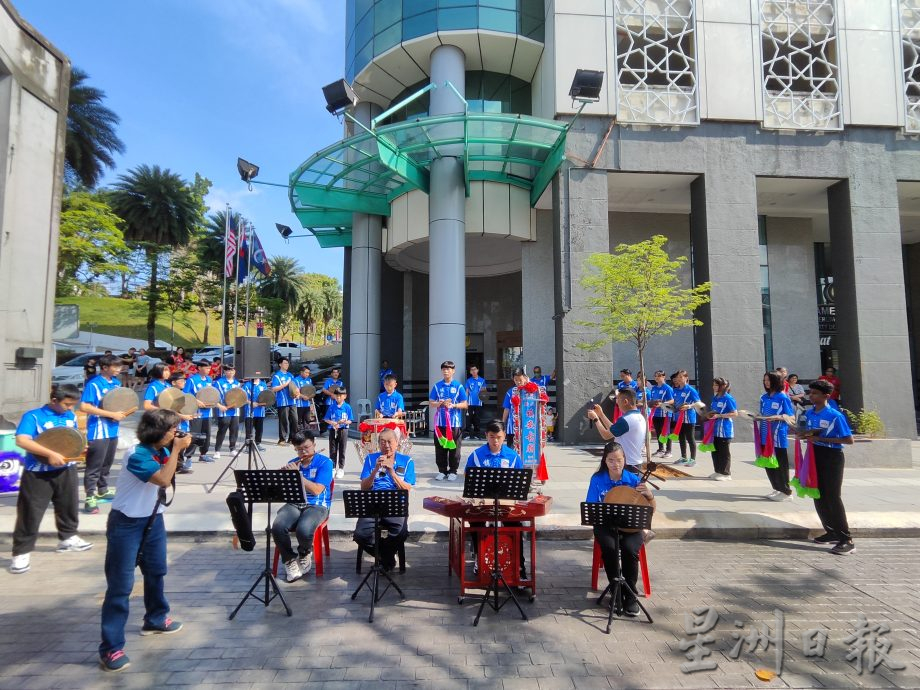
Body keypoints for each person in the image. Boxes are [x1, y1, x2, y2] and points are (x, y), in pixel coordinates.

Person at [98, 409, 190, 672]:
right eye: (173, 430)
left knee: (156, 572)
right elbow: (162, 479)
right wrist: (176, 450)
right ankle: (111, 648)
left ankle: (156, 618)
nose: (176, 434)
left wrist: (179, 450)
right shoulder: (137, 454)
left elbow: (173, 472)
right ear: (158, 432)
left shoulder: (160, 451)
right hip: (126, 524)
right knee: (120, 586)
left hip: (152, 520)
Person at [9, 385, 93, 575]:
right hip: (38, 471)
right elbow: (22, 440)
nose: (71, 408)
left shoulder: (69, 416)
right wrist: (49, 453)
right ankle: (21, 552)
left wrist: (80, 449)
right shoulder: (34, 416)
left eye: (73, 405)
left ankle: (68, 538)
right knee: (30, 512)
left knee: (68, 505)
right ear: (54, 400)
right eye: (67, 404)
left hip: (66, 469)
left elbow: (70, 439)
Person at [586, 440, 656, 617]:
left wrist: (649, 495)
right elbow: (591, 506)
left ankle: (630, 596)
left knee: (630, 549)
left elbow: (650, 510)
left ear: (624, 459)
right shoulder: (597, 479)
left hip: (631, 527)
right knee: (609, 548)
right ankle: (615, 591)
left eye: (619, 460)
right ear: (605, 461)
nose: (615, 464)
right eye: (611, 460)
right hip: (606, 525)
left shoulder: (634, 480)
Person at [797, 380, 855, 555]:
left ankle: (847, 539)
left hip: (832, 458)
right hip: (815, 456)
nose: (811, 396)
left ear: (826, 396)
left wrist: (821, 439)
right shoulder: (809, 413)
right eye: (810, 393)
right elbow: (805, 431)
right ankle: (831, 531)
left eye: (815, 393)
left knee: (832, 497)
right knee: (818, 495)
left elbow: (848, 440)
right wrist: (800, 433)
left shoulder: (835, 415)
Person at [463, 420, 526, 579]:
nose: (495, 441)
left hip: (505, 504)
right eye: (491, 437)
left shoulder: (513, 456)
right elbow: (467, 476)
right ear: (486, 436)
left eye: (499, 437)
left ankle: (519, 566)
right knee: (476, 523)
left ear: (504, 435)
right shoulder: (476, 455)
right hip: (484, 503)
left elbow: (520, 481)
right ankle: (480, 557)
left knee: (515, 526)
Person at [272, 430, 334, 582]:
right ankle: (289, 561)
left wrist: (298, 476)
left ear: (314, 444)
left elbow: (317, 489)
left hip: (317, 505)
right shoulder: (293, 462)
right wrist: (283, 477)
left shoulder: (325, 462)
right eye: (299, 449)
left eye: (306, 447)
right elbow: (285, 491)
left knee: (304, 529)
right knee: (278, 526)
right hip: (295, 503)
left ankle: (305, 552)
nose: (303, 452)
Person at [354, 428, 415, 571]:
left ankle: (384, 558)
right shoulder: (370, 459)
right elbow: (364, 487)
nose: (386, 445)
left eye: (389, 442)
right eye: (382, 442)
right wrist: (375, 470)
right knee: (360, 535)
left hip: (396, 504)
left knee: (400, 532)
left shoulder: (406, 461)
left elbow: (407, 488)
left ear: (397, 443)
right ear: (378, 444)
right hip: (373, 503)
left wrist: (392, 472)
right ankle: (387, 558)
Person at [80, 354, 131, 513]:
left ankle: (103, 489)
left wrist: (124, 412)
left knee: (107, 462)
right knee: (94, 465)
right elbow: (85, 407)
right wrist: (110, 414)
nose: (119, 370)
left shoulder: (116, 383)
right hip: (98, 430)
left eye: (120, 366)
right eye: (115, 367)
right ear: (104, 368)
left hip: (113, 429)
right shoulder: (93, 384)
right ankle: (89, 496)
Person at [587, 387, 648, 470]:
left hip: (627, 465)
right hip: (634, 463)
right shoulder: (639, 416)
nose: (617, 403)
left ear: (625, 401)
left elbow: (606, 435)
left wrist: (595, 419)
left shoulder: (627, 419)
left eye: (618, 400)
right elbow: (614, 429)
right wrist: (601, 414)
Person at [429, 360, 468, 481]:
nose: (446, 371)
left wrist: (454, 406)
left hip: (454, 424)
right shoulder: (437, 386)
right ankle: (442, 470)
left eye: (449, 369)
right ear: (441, 371)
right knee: (440, 447)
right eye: (444, 369)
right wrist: (440, 403)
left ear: (453, 371)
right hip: (440, 423)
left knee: (454, 448)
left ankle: (453, 471)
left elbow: (465, 404)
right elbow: (431, 402)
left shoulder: (458, 386)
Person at [759, 371, 795, 501]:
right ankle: (776, 488)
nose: (766, 383)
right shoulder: (764, 397)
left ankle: (786, 491)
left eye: (769, 380)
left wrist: (778, 417)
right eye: (765, 380)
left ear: (777, 381)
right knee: (769, 463)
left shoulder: (783, 397)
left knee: (780, 463)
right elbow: (762, 413)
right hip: (764, 434)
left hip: (777, 435)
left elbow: (791, 417)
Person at [705, 377, 738, 481]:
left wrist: (720, 416)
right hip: (714, 429)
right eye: (714, 385)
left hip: (724, 429)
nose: (714, 387)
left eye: (716, 385)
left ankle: (726, 473)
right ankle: (718, 471)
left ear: (723, 386)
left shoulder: (728, 398)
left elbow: (735, 413)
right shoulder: (715, 398)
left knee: (724, 452)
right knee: (715, 450)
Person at [184, 361, 216, 461]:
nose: (208, 370)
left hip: (208, 412)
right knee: (194, 435)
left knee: (206, 434)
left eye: (209, 368)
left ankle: (203, 454)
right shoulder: (192, 380)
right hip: (196, 413)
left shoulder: (209, 379)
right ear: (199, 368)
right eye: (206, 368)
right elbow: (185, 394)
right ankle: (188, 457)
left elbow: (212, 393)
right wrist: (196, 400)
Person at [167, 372, 196, 474]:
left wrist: (192, 414)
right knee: (172, 446)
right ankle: (171, 467)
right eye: (181, 381)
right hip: (172, 425)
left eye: (184, 380)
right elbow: (168, 409)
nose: (184, 382)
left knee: (182, 446)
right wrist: (182, 416)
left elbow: (187, 409)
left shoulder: (184, 394)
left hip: (184, 424)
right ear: (173, 382)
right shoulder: (168, 394)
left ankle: (179, 465)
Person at [672, 370, 701, 467]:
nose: (679, 379)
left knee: (690, 438)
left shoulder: (691, 390)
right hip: (678, 418)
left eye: (681, 377)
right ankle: (683, 457)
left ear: (686, 378)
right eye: (678, 377)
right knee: (681, 438)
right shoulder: (675, 390)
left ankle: (693, 459)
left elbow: (699, 403)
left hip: (689, 418)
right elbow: (675, 403)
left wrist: (688, 406)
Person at [324, 386, 353, 479]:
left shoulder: (347, 407)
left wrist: (344, 422)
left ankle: (341, 468)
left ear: (345, 396)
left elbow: (350, 420)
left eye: (340, 396)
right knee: (332, 449)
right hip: (333, 429)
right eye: (337, 395)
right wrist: (332, 422)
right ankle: (332, 468)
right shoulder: (332, 406)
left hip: (343, 430)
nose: (338, 397)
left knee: (342, 449)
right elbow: (326, 419)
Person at [213, 364, 242, 459]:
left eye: (232, 370)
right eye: (228, 370)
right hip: (224, 411)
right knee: (222, 431)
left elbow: (239, 397)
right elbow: (213, 397)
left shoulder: (237, 383)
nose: (230, 372)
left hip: (235, 411)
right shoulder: (218, 383)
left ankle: (232, 449)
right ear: (224, 372)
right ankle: (217, 450)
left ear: (235, 371)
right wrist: (219, 406)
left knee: (234, 430)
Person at [271, 358, 297, 445]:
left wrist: (297, 393)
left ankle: (291, 438)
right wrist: (285, 384)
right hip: (282, 402)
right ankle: (282, 439)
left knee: (295, 420)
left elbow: (295, 387)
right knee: (284, 421)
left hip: (292, 401)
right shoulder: (277, 376)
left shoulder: (290, 375)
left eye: (288, 363)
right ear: (280, 364)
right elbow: (274, 389)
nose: (287, 365)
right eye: (285, 363)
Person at [648, 370, 675, 458]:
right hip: (656, 413)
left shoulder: (667, 388)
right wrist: (651, 403)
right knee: (659, 432)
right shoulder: (654, 388)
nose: (656, 377)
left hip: (666, 413)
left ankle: (669, 451)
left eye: (659, 376)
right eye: (655, 376)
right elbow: (652, 399)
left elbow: (672, 400)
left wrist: (662, 404)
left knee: (666, 432)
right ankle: (661, 449)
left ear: (663, 377)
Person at [501, 368, 529, 450]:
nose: (518, 382)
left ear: (525, 378)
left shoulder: (530, 391)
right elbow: (506, 409)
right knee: (511, 449)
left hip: (526, 425)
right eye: (516, 380)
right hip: (512, 427)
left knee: (525, 449)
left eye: (520, 379)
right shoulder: (510, 392)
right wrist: (503, 423)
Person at [244, 377, 268, 451]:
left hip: (260, 411)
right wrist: (251, 403)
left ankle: (258, 444)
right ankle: (248, 446)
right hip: (249, 411)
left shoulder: (263, 385)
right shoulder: (247, 385)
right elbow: (243, 397)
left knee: (259, 429)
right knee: (249, 429)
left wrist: (264, 403)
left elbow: (266, 396)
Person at [464, 365, 486, 439]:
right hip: (470, 403)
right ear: (470, 372)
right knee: (468, 418)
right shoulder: (468, 381)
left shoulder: (482, 380)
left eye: (475, 369)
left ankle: (477, 434)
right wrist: (465, 401)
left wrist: (483, 399)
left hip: (478, 403)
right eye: (472, 370)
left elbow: (484, 391)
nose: (473, 371)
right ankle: (467, 434)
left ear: (478, 370)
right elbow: (466, 391)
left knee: (477, 418)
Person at [293, 364, 314, 432]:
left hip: (307, 404)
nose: (307, 374)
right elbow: (295, 392)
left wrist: (311, 402)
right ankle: (298, 436)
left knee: (307, 420)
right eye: (306, 372)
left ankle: (307, 436)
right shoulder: (296, 380)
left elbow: (311, 391)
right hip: (298, 405)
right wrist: (303, 396)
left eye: (308, 373)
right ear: (301, 372)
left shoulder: (309, 380)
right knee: (298, 421)